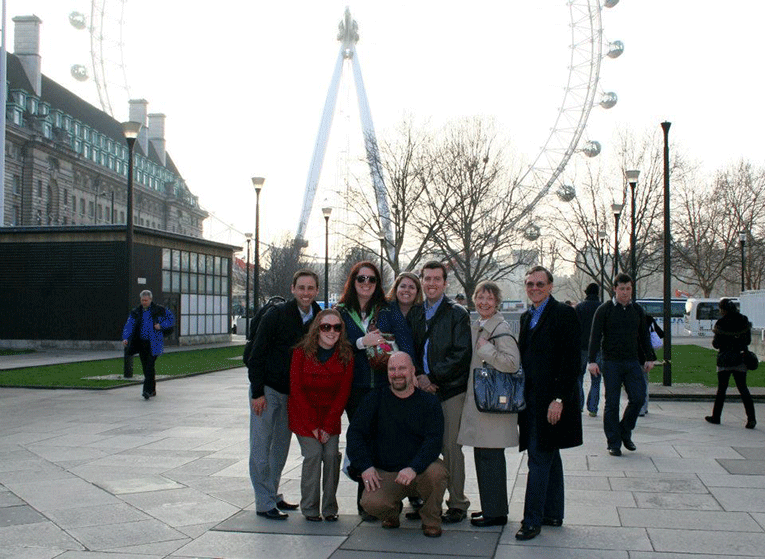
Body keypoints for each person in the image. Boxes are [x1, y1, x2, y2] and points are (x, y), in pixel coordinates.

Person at [336, 261, 414, 518]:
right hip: (355, 387)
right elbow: (333, 344)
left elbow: (405, 344)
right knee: (361, 441)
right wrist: (362, 342)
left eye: (372, 280)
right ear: (353, 281)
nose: (366, 284)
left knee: (384, 441)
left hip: (384, 385)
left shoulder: (388, 311)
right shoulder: (342, 312)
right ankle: (366, 502)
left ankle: (388, 497)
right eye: (361, 279)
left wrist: (406, 373)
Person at [346, 351, 448, 538]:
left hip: (419, 472)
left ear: (412, 371)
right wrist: (366, 466)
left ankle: (431, 519)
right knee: (370, 503)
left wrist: (413, 467)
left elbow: (434, 441)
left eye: (402, 368)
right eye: (392, 369)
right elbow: (355, 434)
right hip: (386, 472)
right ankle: (391, 513)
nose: (397, 373)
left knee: (438, 472)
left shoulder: (429, 402)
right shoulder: (374, 399)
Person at [247, 270, 322, 520]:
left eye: (310, 288)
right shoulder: (276, 315)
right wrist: (257, 392)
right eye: (301, 287)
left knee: (279, 448)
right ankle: (263, 502)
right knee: (260, 447)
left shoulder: (320, 318)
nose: (306, 293)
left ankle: (272, 493)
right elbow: (256, 354)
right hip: (267, 390)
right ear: (292, 289)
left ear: (316, 291)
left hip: (292, 394)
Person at [516, 266, 582, 541]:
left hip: (551, 400)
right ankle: (553, 512)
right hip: (531, 400)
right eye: (530, 284)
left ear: (551, 286)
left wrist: (559, 399)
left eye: (539, 283)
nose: (534, 288)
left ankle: (532, 520)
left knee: (539, 457)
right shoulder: (526, 317)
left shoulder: (564, 314)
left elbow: (570, 362)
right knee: (549, 455)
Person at [408, 260, 472, 524]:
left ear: (445, 283)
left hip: (449, 391)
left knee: (450, 447)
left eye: (437, 279)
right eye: (427, 278)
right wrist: (418, 379)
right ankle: (422, 498)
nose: (432, 283)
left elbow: (461, 353)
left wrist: (433, 378)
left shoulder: (458, 314)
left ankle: (457, 502)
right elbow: (407, 347)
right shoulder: (414, 313)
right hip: (420, 391)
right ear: (421, 281)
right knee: (418, 445)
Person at [457, 280, 520, 528]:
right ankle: (491, 508)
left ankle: (496, 514)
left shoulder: (500, 328)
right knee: (484, 458)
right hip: (484, 407)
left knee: (491, 460)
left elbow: (511, 363)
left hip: (493, 409)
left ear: (497, 303)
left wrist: (486, 351)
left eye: (489, 299)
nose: (484, 302)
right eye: (480, 298)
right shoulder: (482, 325)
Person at [288, 309, 354, 521]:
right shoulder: (300, 352)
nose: (331, 331)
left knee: (331, 456)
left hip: (330, 416)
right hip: (304, 415)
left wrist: (327, 426)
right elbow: (296, 390)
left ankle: (329, 508)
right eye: (326, 326)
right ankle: (310, 507)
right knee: (314, 454)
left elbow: (343, 393)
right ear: (317, 328)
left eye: (337, 327)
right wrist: (314, 426)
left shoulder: (346, 355)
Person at [587, 273, 656, 457]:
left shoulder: (638, 311)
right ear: (615, 289)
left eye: (628, 289)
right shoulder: (605, 309)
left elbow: (644, 336)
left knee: (638, 398)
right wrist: (592, 361)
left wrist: (649, 357)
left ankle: (625, 431)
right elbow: (595, 336)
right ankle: (614, 442)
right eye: (622, 289)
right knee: (612, 403)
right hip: (611, 362)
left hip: (632, 361)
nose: (625, 293)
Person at [705, 298, 756, 429]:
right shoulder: (743, 320)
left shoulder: (721, 322)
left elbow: (716, 344)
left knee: (721, 389)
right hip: (740, 358)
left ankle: (716, 417)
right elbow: (748, 341)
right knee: (743, 388)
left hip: (725, 359)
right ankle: (751, 418)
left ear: (723, 310)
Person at [122, 290, 175, 400]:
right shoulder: (136, 312)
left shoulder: (159, 310)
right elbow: (129, 325)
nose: (144, 302)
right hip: (142, 343)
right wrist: (126, 338)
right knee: (146, 367)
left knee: (150, 365)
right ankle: (153, 389)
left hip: (154, 343)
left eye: (146, 300)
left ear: (150, 300)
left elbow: (171, 319)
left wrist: (161, 326)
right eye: (142, 300)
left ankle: (147, 390)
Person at [575, 282, 602, 416]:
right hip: (597, 348)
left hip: (581, 346)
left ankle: (579, 405)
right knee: (596, 379)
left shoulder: (579, 308)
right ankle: (593, 408)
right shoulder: (602, 307)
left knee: (578, 377)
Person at [640, 314, 664, 416]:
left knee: (638, 382)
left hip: (636, 355)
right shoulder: (648, 318)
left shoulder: (629, 317)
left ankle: (640, 407)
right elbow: (661, 333)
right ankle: (644, 407)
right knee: (644, 382)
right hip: (646, 355)